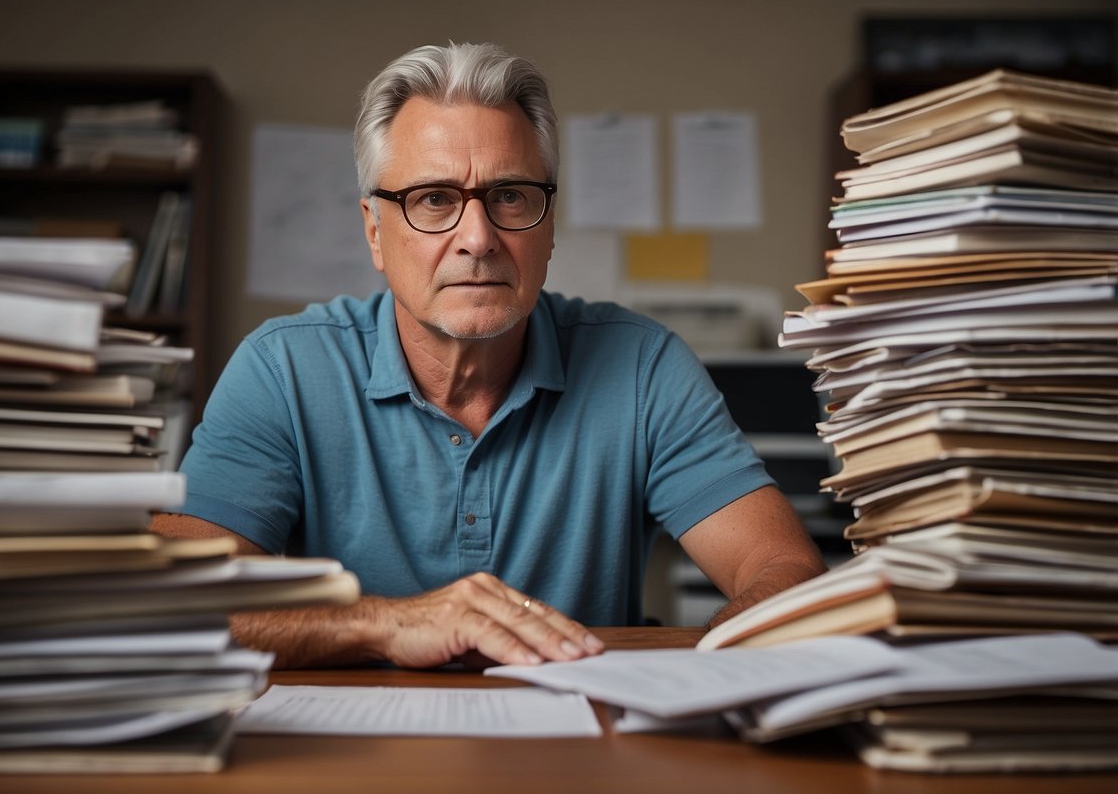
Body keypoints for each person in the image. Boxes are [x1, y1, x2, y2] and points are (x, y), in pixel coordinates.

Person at [152, 42, 826, 669]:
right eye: (434, 199)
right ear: (374, 232)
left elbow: (782, 570)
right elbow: (169, 601)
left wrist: (699, 674)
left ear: (549, 226)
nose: (478, 238)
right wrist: (384, 623)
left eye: (509, 196)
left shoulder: (643, 366)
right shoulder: (283, 370)